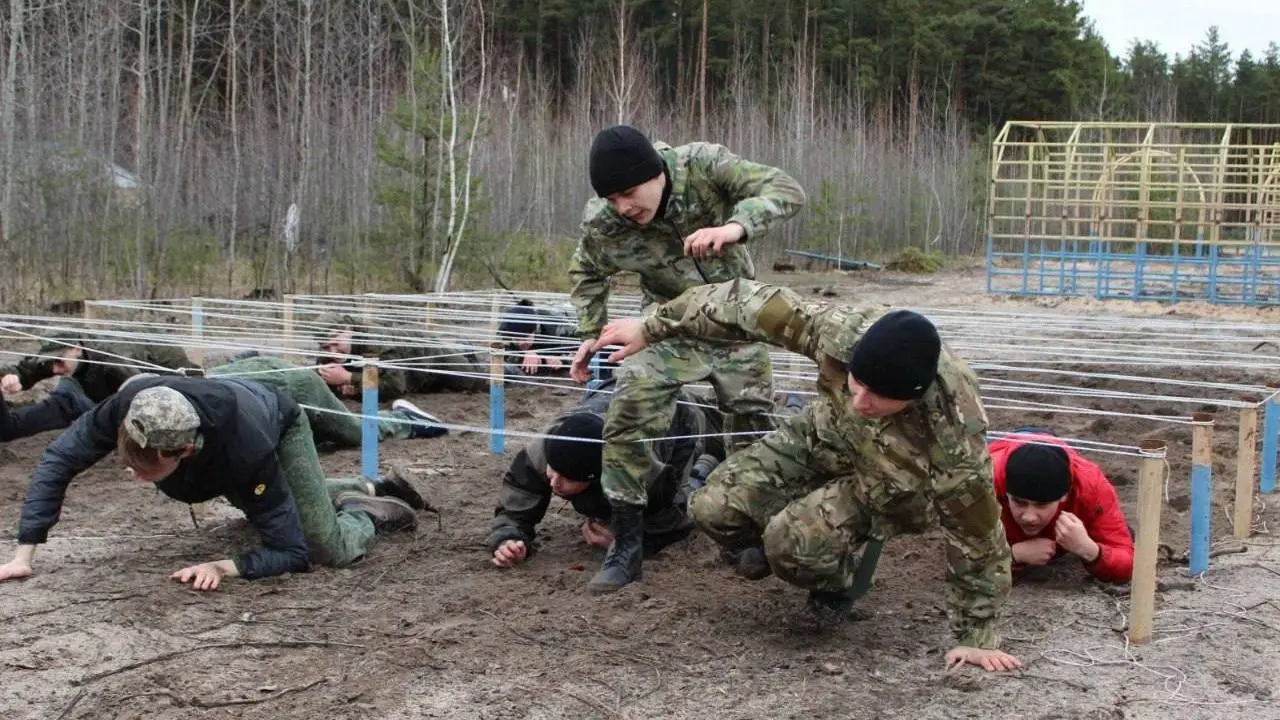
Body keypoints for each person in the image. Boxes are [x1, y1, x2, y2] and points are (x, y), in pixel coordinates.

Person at [589, 278, 1021, 673]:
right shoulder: (839, 332)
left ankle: (842, 578)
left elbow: (978, 533)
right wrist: (651, 326)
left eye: (878, 399)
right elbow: (742, 302)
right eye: (856, 384)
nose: (860, 401)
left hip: (895, 481)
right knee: (713, 507)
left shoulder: (953, 430)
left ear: (912, 399)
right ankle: (808, 529)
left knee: (790, 547)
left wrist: (977, 635)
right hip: (825, 433)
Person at [565, 124, 806, 593]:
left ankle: (747, 531)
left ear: (655, 172)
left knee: (750, 425)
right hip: (666, 330)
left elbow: (786, 188)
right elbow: (587, 270)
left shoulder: (704, 167)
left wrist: (736, 225)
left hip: (738, 323)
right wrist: (591, 332)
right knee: (630, 408)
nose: (624, 207)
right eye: (613, 199)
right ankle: (628, 543)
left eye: (629, 193)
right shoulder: (604, 221)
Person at [0, 374, 424, 591]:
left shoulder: (245, 452)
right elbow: (58, 460)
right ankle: (363, 484)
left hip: (274, 416)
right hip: (220, 393)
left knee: (322, 545)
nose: (132, 474)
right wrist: (25, 553)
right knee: (270, 504)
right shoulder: (131, 407)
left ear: (182, 454)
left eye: (146, 471)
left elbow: (290, 553)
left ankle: (364, 511)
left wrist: (224, 566)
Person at [487, 379, 722, 568]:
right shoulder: (548, 446)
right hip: (617, 391)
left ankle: (705, 467)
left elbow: (674, 520)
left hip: (682, 414)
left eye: (568, 478)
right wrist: (509, 539)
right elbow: (516, 503)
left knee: (724, 452)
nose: (554, 483)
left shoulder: (641, 469)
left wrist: (626, 542)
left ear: (598, 476)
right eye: (553, 471)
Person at [989, 432, 1134, 583]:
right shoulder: (983, 484)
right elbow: (962, 564)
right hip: (1005, 443)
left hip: (1056, 446)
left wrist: (1090, 550)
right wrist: (1012, 555)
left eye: (1042, 504)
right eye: (1019, 502)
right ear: (1005, 494)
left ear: (1064, 496)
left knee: (1114, 534)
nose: (1029, 516)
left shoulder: (1091, 489)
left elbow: (1129, 566)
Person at [208, 355, 447, 446]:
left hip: (291, 386)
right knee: (322, 436)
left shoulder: (379, 345)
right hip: (267, 383)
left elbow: (396, 385)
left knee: (355, 432)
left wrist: (352, 378)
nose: (330, 349)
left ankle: (406, 420)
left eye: (334, 341)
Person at [0, 333, 194, 441]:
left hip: (152, 379)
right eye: (52, 364)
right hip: (80, 394)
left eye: (59, 362)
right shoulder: (62, 360)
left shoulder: (114, 363)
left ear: (76, 348)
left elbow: (143, 400)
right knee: (14, 427)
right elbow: (27, 369)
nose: (55, 370)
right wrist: (11, 376)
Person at [315, 313, 487, 400]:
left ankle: (467, 350)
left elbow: (395, 387)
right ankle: (461, 349)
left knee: (476, 381)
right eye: (326, 347)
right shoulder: (326, 355)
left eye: (337, 344)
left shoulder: (376, 343)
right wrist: (347, 387)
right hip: (416, 383)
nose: (332, 353)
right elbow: (322, 387)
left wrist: (349, 377)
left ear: (348, 330)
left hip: (429, 356)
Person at [496, 299, 580, 376]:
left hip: (570, 313)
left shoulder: (557, 327)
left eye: (525, 337)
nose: (521, 342)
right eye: (517, 338)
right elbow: (498, 353)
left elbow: (580, 349)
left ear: (535, 331)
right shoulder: (506, 327)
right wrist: (524, 354)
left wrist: (555, 356)